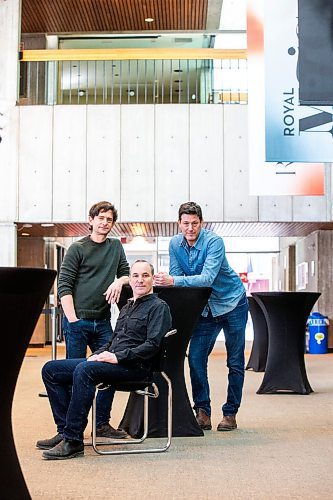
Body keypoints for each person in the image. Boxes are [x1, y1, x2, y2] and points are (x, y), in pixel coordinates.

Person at [37, 260, 172, 460]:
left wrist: (117, 357)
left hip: (137, 368)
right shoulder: (127, 306)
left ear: (153, 279)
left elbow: (152, 346)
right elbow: (113, 341)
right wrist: (97, 355)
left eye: (145, 275)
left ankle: (73, 440)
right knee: (51, 369)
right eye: (135, 275)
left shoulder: (159, 307)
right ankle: (65, 431)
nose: (140, 280)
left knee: (85, 370)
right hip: (114, 362)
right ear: (130, 280)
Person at [154, 202, 248, 432]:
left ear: (201, 223)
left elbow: (206, 278)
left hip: (232, 302)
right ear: (179, 223)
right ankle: (202, 411)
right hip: (206, 309)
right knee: (195, 358)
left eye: (195, 223)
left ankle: (230, 413)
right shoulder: (175, 244)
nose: (190, 228)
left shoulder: (214, 242)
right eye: (185, 223)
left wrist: (173, 281)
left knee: (234, 361)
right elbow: (176, 275)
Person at [56, 200, 130, 441]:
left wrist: (119, 281)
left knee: (109, 371)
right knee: (72, 375)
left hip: (103, 322)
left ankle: (101, 424)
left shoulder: (115, 247)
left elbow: (126, 272)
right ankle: (66, 430)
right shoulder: (78, 248)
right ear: (91, 220)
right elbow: (64, 285)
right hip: (78, 322)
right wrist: (73, 321)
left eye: (109, 219)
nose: (104, 223)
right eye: (100, 218)